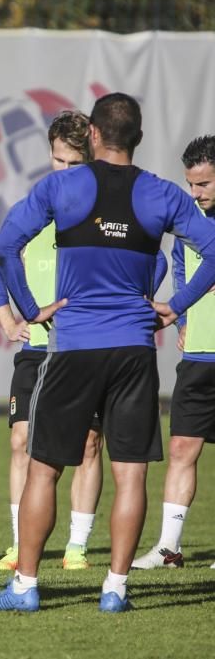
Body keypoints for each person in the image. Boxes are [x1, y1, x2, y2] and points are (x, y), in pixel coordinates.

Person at [0, 93, 215, 614]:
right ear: (138, 137)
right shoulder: (161, 194)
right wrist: (174, 306)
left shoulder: (62, 186)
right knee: (130, 472)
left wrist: (29, 308)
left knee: (43, 469)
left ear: (92, 136)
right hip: (134, 349)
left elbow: (2, 250)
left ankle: (24, 587)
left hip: (73, 349)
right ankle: (114, 590)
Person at [0, 111, 148, 572]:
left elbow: (154, 262)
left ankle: (76, 546)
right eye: (58, 160)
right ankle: (20, 546)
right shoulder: (38, 205)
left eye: (74, 163)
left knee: (90, 444)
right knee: (22, 441)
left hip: (84, 343)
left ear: (92, 156)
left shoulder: (106, 211)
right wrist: (9, 318)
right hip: (38, 347)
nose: (64, 171)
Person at [133, 135, 215, 570]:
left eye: (203, 184)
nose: (195, 193)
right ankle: (168, 549)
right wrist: (183, 322)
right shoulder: (189, 224)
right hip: (200, 355)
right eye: (191, 184)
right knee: (183, 446)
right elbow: (181, 275)